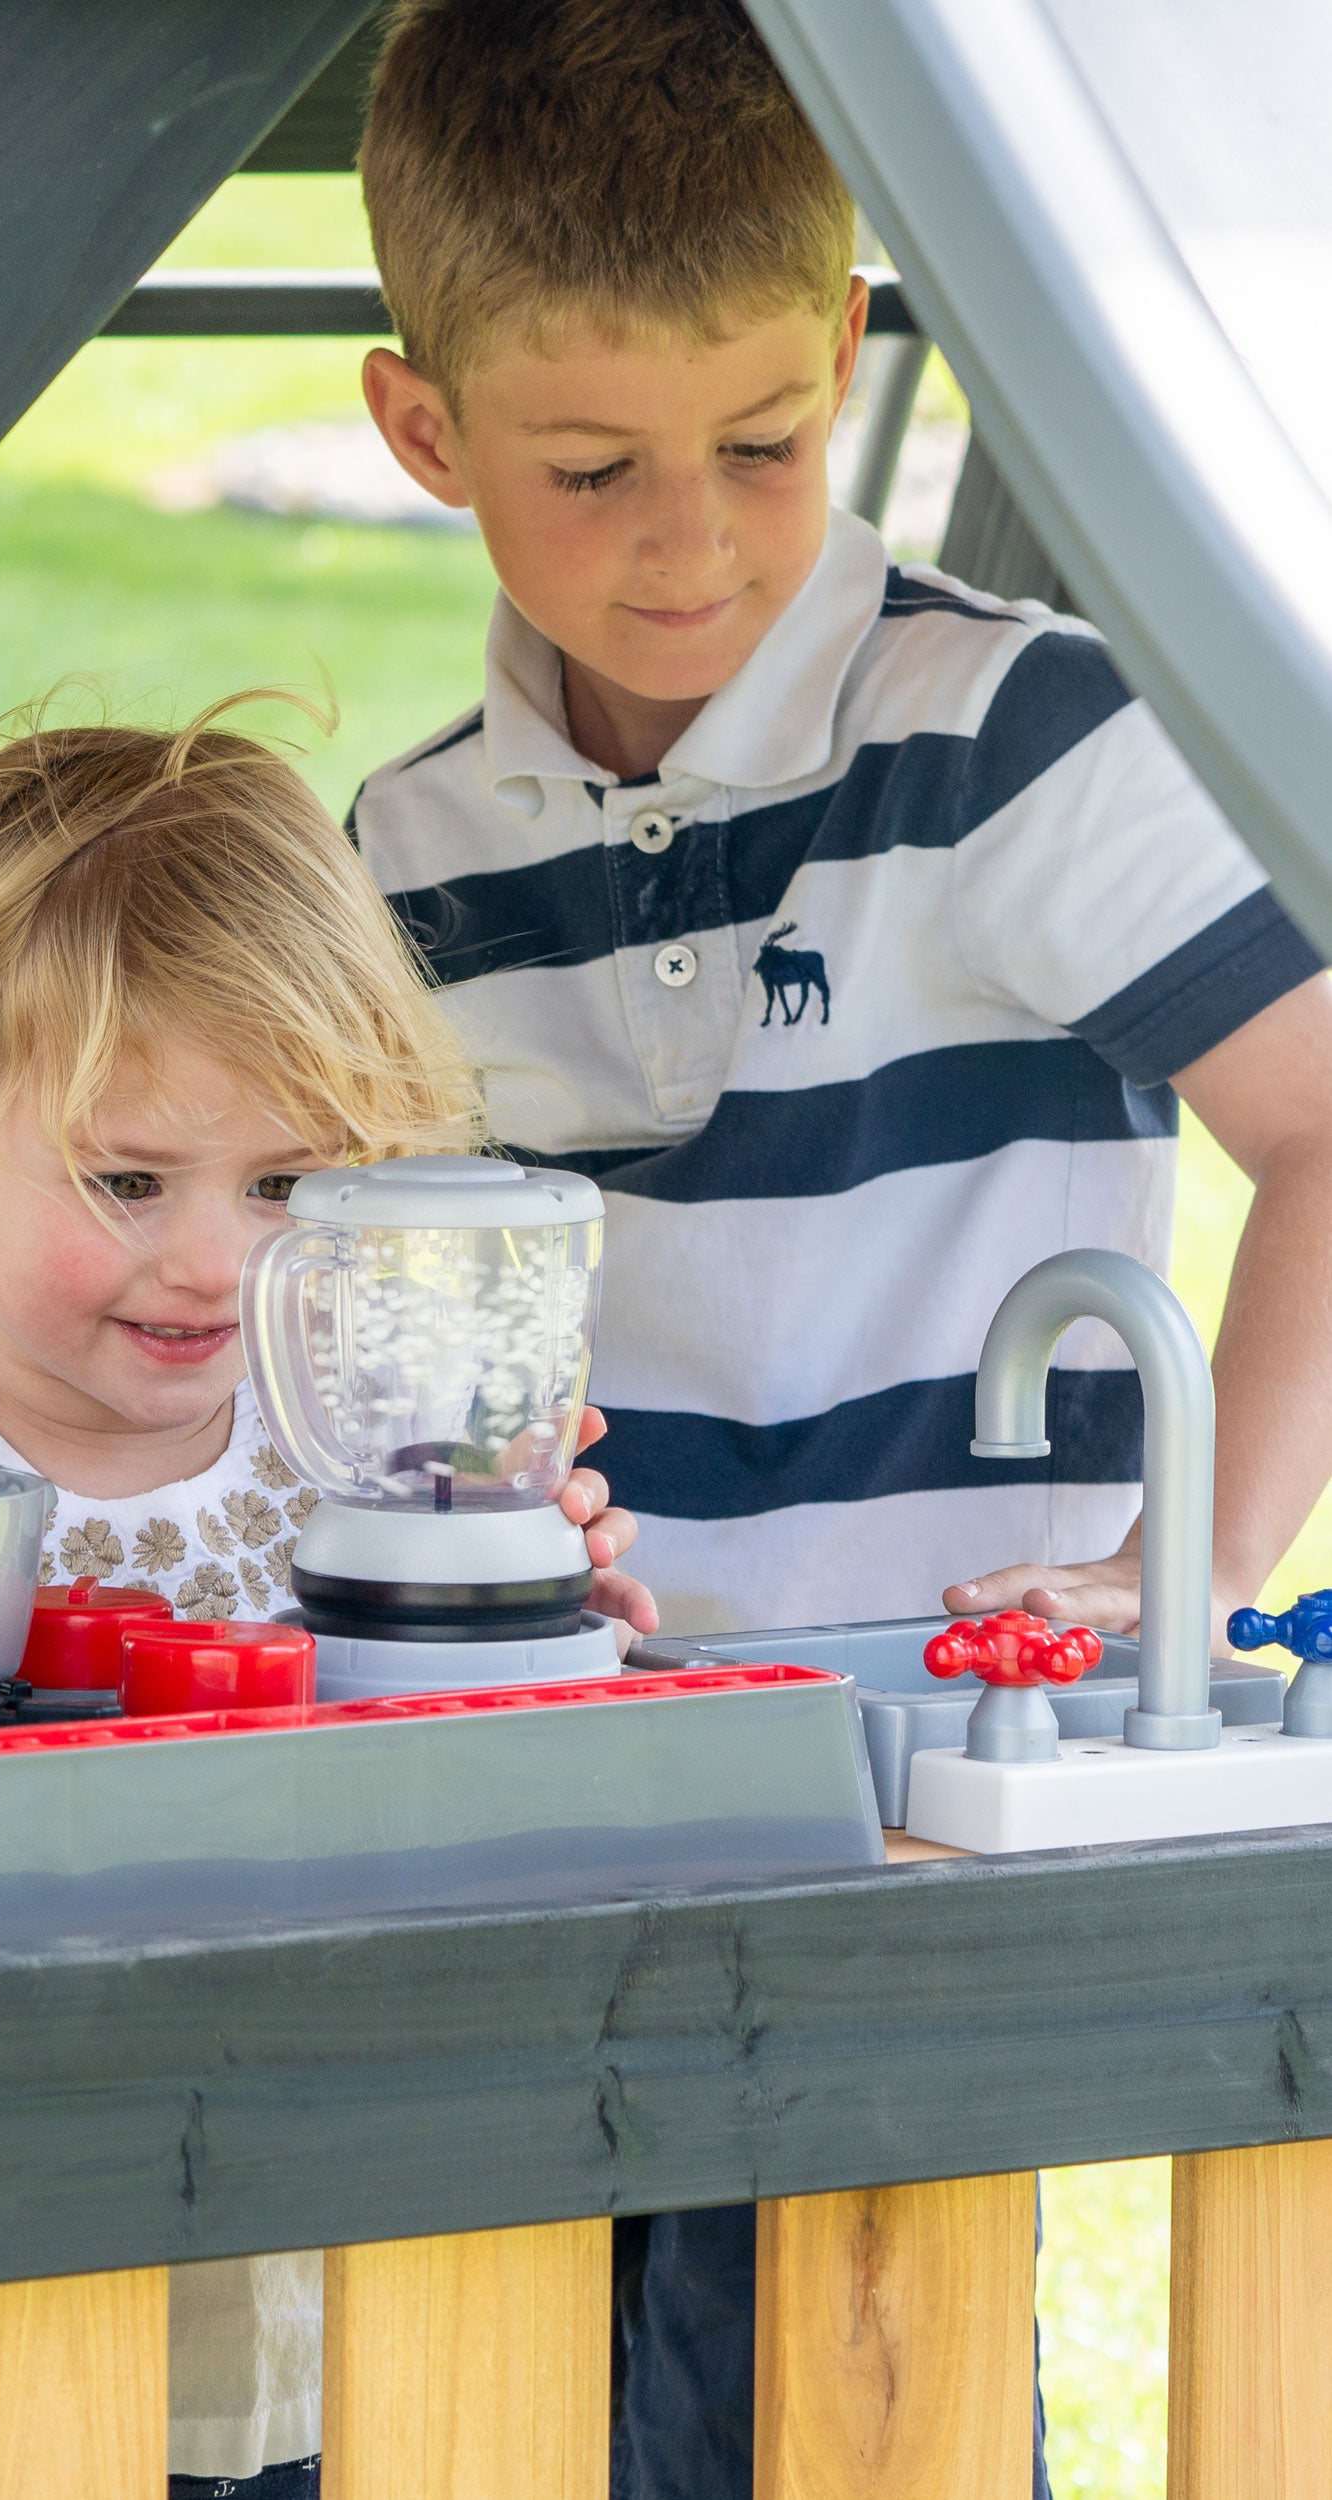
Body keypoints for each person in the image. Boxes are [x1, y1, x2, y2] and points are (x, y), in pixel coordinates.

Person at [346, 3, 1332, 2495]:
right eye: (590, 469)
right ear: (420, 433)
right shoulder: (409, 855)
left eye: (761, 444)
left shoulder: (1007, 743)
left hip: (907, 1829)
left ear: (852, 355)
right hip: (539, 1837)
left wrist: (1186, 1574)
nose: (689, 536)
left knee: (837, 2418)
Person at [0, 695, 657, 2497]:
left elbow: (539, 1821)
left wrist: (548, 1608)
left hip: (371, 2298)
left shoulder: (384, 1470)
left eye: (292, 1181)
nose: (216, 1261)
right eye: (127, 1178)